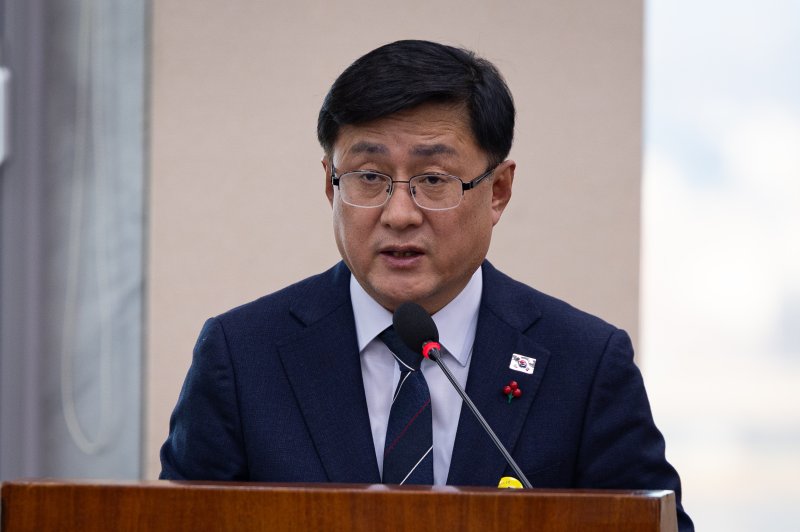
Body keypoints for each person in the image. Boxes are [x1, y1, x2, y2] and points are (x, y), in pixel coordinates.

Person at [160, 40, 692, 530]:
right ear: (330, 185)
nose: (399, 214)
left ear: (499, 190)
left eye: (433, 180)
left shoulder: (585, 365)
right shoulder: (242, 356)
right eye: (369, 177)